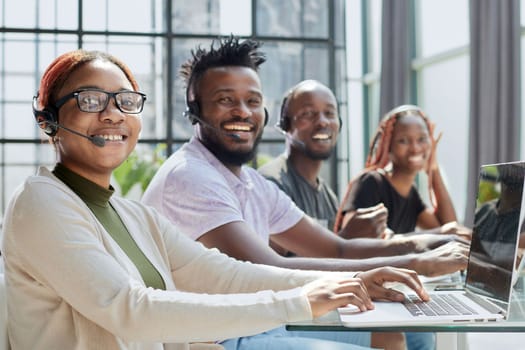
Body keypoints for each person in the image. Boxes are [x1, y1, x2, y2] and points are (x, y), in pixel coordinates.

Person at [0, 49, 430, 350]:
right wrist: (301, 300)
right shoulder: (42, 202)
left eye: (125, 102)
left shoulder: (131, 215)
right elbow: (129, 308)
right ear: (50, 120)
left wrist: (342, 284)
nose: (112, 113)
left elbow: (222, 273)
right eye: (90, 100)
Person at [142, 36, 468, 350]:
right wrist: (419, 264)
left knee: (400, 336)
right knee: (384, 340)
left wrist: (434, 250)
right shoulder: (190, 176)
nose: (242, 111)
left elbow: (338, 249)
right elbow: (268, 269)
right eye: (226, 100)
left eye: (253, 101)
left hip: (259, 318)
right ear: (194, 111)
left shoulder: (252, 183)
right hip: (217, 336)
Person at [258, 79, 436, 350]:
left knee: (420, 333)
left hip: (324, 299)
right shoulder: (272, 184)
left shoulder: (325, 193)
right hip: (291, 310)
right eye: (308, 114)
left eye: (330, 113)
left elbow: (337, 249)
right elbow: (270, 269)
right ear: (285, 125)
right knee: (394, 337)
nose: (323, 122)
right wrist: (347, 239)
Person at [334, 104, 469, 240]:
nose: (415, 148)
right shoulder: (370, 182)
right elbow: (351, 238)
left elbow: (450, 230)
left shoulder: (411, 194)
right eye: (403, 141)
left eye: (422, 139)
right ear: (388, 146)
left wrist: (433, 169)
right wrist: (440, 233)